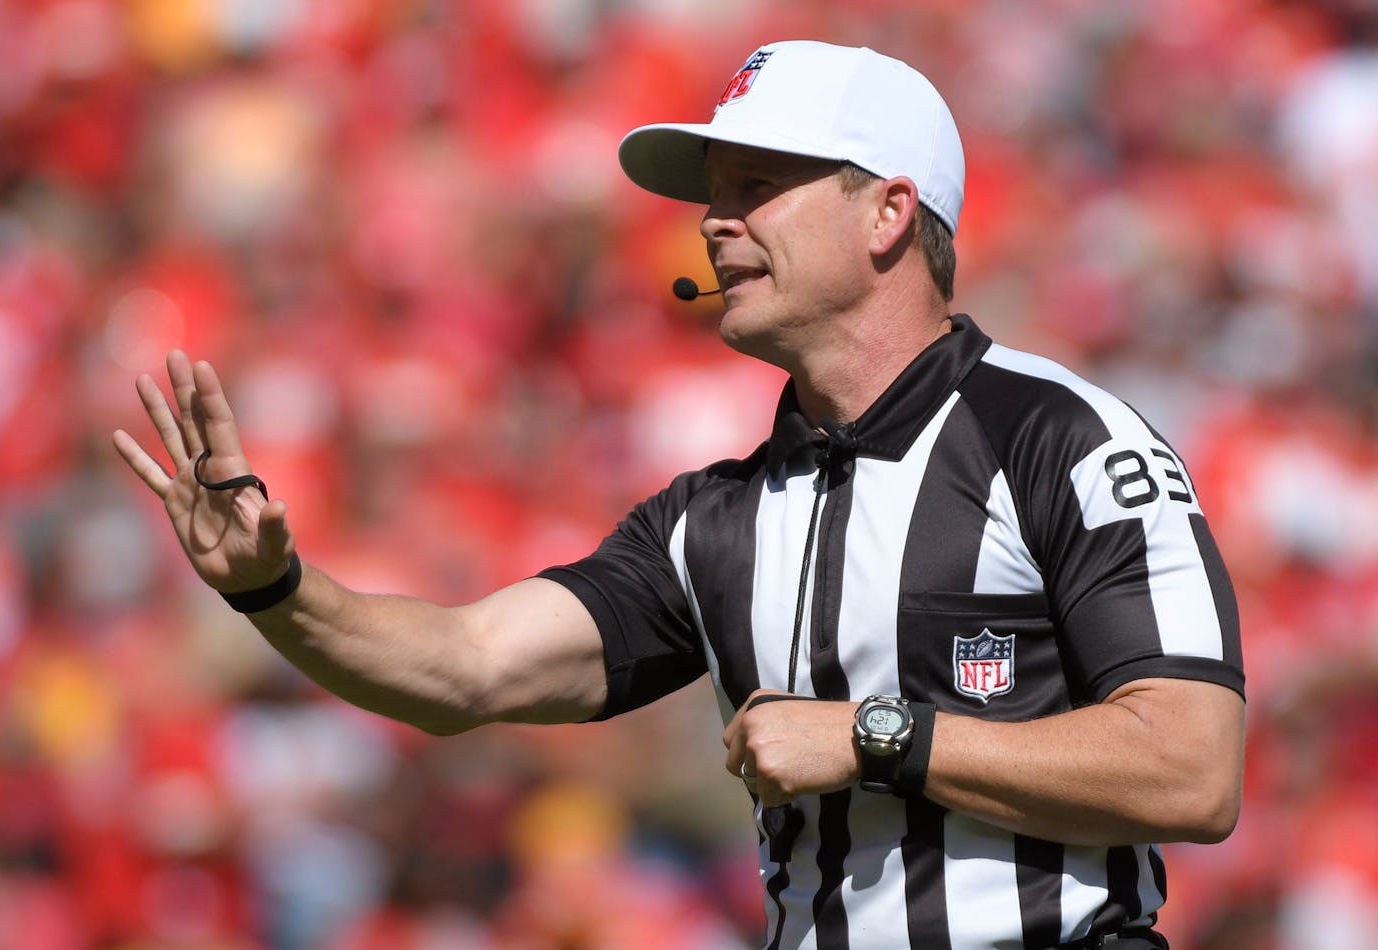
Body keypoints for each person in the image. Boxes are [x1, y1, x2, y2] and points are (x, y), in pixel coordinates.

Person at [113, 40, 1245, 950]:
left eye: (758, 186)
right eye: (714, 192)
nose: (713, 220)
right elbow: (462, 667)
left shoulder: (1057, 435)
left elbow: (1192, 766)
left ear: (887, 213)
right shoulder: (713, 515)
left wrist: (875, 734)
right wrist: (277, 587)